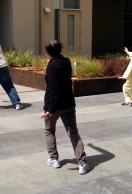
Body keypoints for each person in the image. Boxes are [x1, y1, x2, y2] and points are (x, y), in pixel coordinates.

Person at [41, 40, 89, 175]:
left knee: (49, 130)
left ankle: (54, 159)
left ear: (48, 52)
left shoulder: (52, 66)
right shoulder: (66, 62)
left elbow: (54, 88)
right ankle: (83, 163)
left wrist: (51, 109)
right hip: (68, 103)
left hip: (53, 104)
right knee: (73, 132)